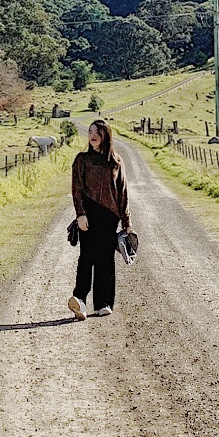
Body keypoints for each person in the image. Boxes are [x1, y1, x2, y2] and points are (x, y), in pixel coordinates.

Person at [68, 118, 131, 319]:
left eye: (97, 132)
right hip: (88, 215)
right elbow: (76, 190)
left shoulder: (116, 162)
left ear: (106, 135)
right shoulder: (82, 159)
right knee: (86, 258)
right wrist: (80, 214)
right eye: (90, 131)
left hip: (109, 217)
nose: (92, 135)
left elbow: (122, 193)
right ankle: (79, 301)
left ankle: (103, 303)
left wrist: (127, 223)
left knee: (105, 260)